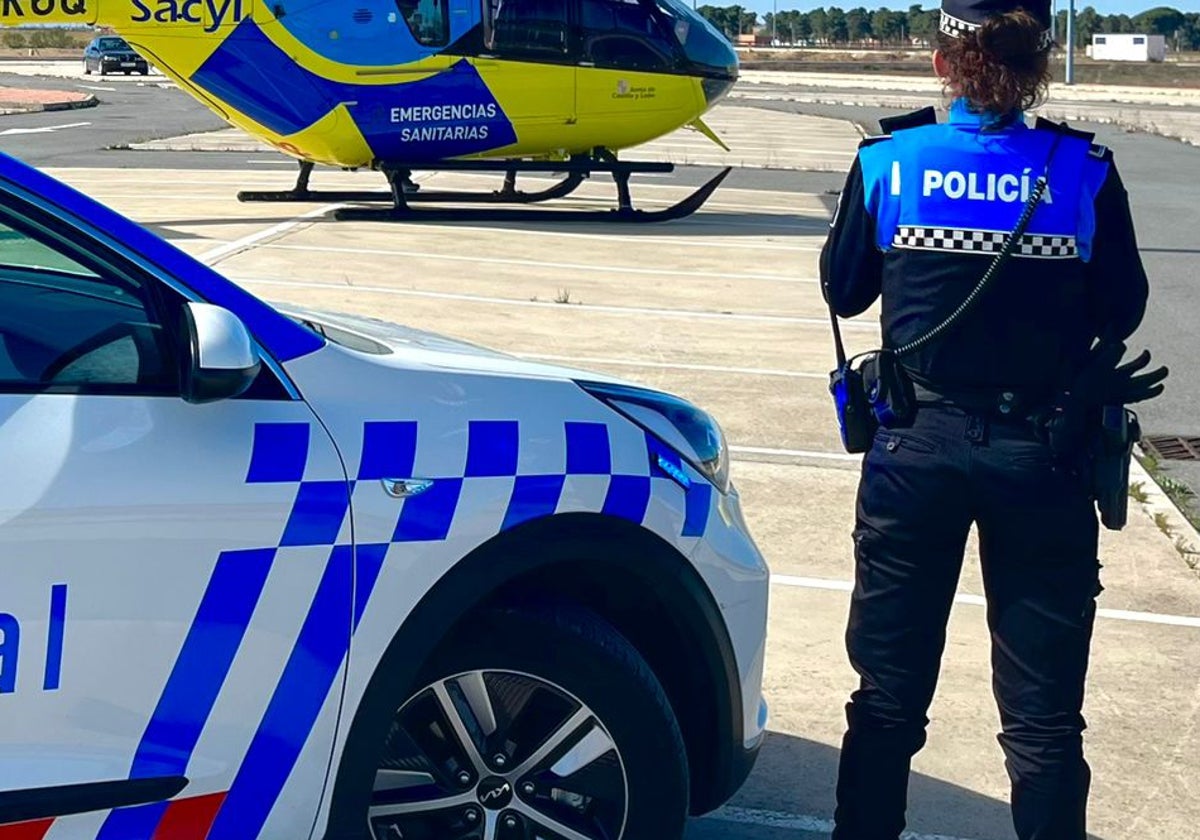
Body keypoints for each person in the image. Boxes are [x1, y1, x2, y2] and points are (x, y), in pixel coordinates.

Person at [819, 2, 1167, 839]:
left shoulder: (890, 161)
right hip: (1041, 455)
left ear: (943, 66)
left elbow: (843, 290)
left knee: (888, 700)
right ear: (1037, 66)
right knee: (1044, 722)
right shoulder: (1082, 168)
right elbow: (1124, 307)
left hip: (914, 452)